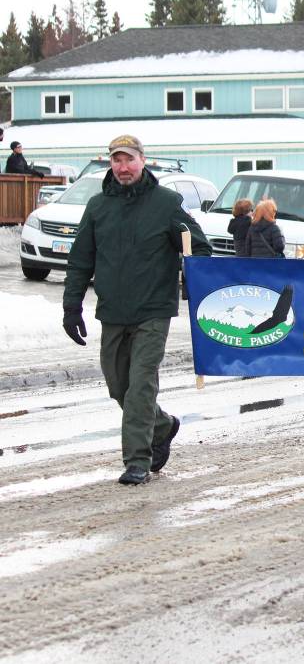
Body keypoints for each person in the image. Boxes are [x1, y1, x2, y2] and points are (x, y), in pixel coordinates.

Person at [62, 134, 212, 485]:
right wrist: (72, 306)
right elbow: (80, 260)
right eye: (116, 160)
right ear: (110, 164)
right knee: (119, 387)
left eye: (129, 159)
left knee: (141, 384)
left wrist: (193, 277)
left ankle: (137, 461)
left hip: (152, 310)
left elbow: (199, 248)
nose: (123, 167)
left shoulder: (167, 203)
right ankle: (163, 426)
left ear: (142, 160)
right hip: (113, 310)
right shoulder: (98, 207)